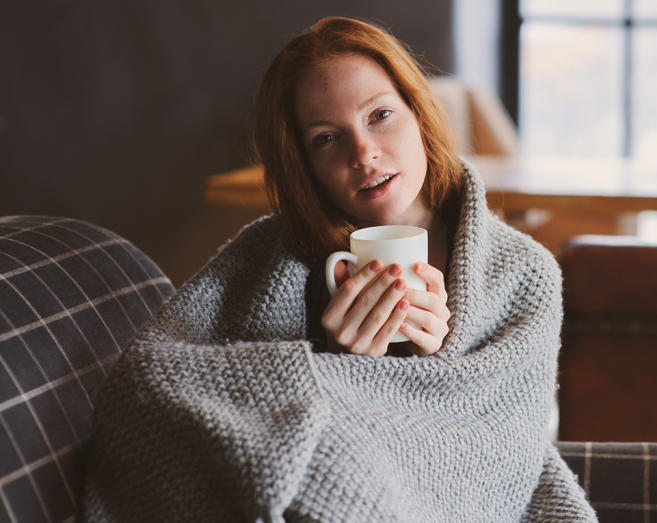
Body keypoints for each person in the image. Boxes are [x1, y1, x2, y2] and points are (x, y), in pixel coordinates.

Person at [81, 17, 596, 522]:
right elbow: (146, 383)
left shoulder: (524, 275)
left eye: (380, 116)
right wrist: (338, 365)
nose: (365, 154)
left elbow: (506, 454)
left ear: (420, 113)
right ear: (302, 164)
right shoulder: (261, 259)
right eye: (327, 139)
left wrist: (425, 370)